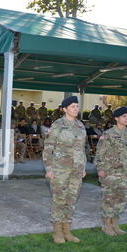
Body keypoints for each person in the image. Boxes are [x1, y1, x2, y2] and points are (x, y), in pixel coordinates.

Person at [42, 95, 87, 244]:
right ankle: (57, 232)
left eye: (77, 106)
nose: (76, 109)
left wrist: (83, 166)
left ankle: (67, 231)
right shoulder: (57, 125)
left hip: (76, 170)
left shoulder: (81, 126)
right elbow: (48, 147)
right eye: (73, 106)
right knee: (59, 200)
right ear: (65, 109)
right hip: (60, 169)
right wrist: (49, 168)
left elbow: (82, 149)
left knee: (71, 200)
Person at [94, 106, 127, 236]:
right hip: (110, 172)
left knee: (121, 200)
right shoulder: (109, 134)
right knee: (109, 199)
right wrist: (100, 169)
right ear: (116, 118)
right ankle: (106, 226)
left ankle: (115, 225)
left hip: (125, 173)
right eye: (124, 116)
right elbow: (100, 153)